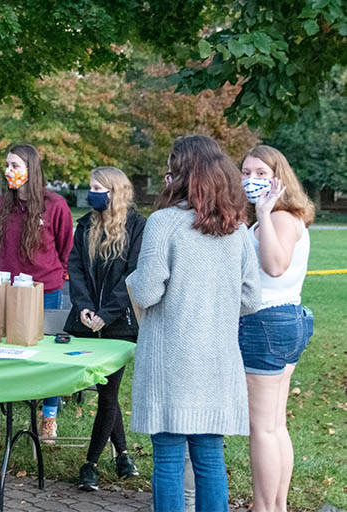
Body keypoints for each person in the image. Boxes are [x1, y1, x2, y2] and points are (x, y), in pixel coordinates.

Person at [126, 135, 260, 511]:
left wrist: (131, 280)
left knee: (168, 460)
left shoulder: (163, 223)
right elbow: (251, 298)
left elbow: (148, 291)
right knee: (210, 459)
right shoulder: (236, 229)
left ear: (181, 174)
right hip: (216, 359)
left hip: (170, 358)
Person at [0, 144, 74, 440]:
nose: (9, 170)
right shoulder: (1, 206)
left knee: (47, 354)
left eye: (15, 165)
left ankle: (48, 416)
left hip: (44, 290)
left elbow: (65, 249)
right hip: (5, 287)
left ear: (31, 170)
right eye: (7, 165)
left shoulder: (55, 205)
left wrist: (54, 272)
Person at [238, 145, 314, 512]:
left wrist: (265, 213)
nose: (250, 180)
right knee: (275, 424)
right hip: (283, 321)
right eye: (246, 172)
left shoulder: (280, 217)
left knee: (263, 429)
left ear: (279, 179)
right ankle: (275, 505)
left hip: (265, 323)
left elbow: (274, 266)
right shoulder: (270, 217)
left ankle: (265, 508)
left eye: (260, 174)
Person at [63, 166, 146, 491]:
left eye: (99, 187)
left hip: (120, 325)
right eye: (90, 186)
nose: (92, 192)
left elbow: (133, 275)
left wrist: (106, 314)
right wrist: (84, 307)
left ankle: (91, 464)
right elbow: (76, 268)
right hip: (85, 323)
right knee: (104, 390)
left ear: (116, 191)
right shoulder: (85, 225)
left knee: (108, 392)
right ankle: (123, 455)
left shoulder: (138, 227)